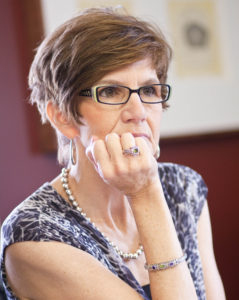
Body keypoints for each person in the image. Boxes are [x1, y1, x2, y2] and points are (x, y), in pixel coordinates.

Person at [0, 7, 225, 300]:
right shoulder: (35, 235)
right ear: (62, 118)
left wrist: (149, 190)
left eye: (149, 90)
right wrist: (145, 193)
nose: (139, 112)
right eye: (110, 92)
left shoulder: (183, 188)